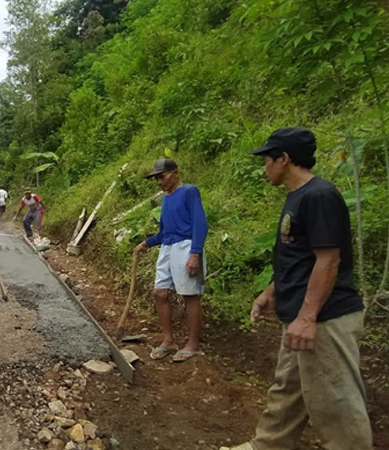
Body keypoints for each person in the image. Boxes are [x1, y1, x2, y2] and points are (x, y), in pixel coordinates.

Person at [221, 129, 372, 450]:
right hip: (303, 319)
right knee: (287, 393)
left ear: (284, 159)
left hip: (325, 321)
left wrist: (306, 317)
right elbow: (300, 259)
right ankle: (266, 446)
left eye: (267, 161)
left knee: (337, 403)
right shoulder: (299, 197)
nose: (264, 168)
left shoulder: (319, 196)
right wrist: (272, 292)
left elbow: (328, 261)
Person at [135, 158, 207, 363]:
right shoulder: (166, 199)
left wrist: (195, 253)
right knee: (159, 292)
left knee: (190, 294)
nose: (159, 181)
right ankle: (169, 340)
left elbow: (200, 223)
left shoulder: (189, 192)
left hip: (186, 245)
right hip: (168, 247)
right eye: (156, 178)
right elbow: (164, 232)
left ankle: (193, 343)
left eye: (162, 176)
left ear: (175, 173)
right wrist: (146, 243)